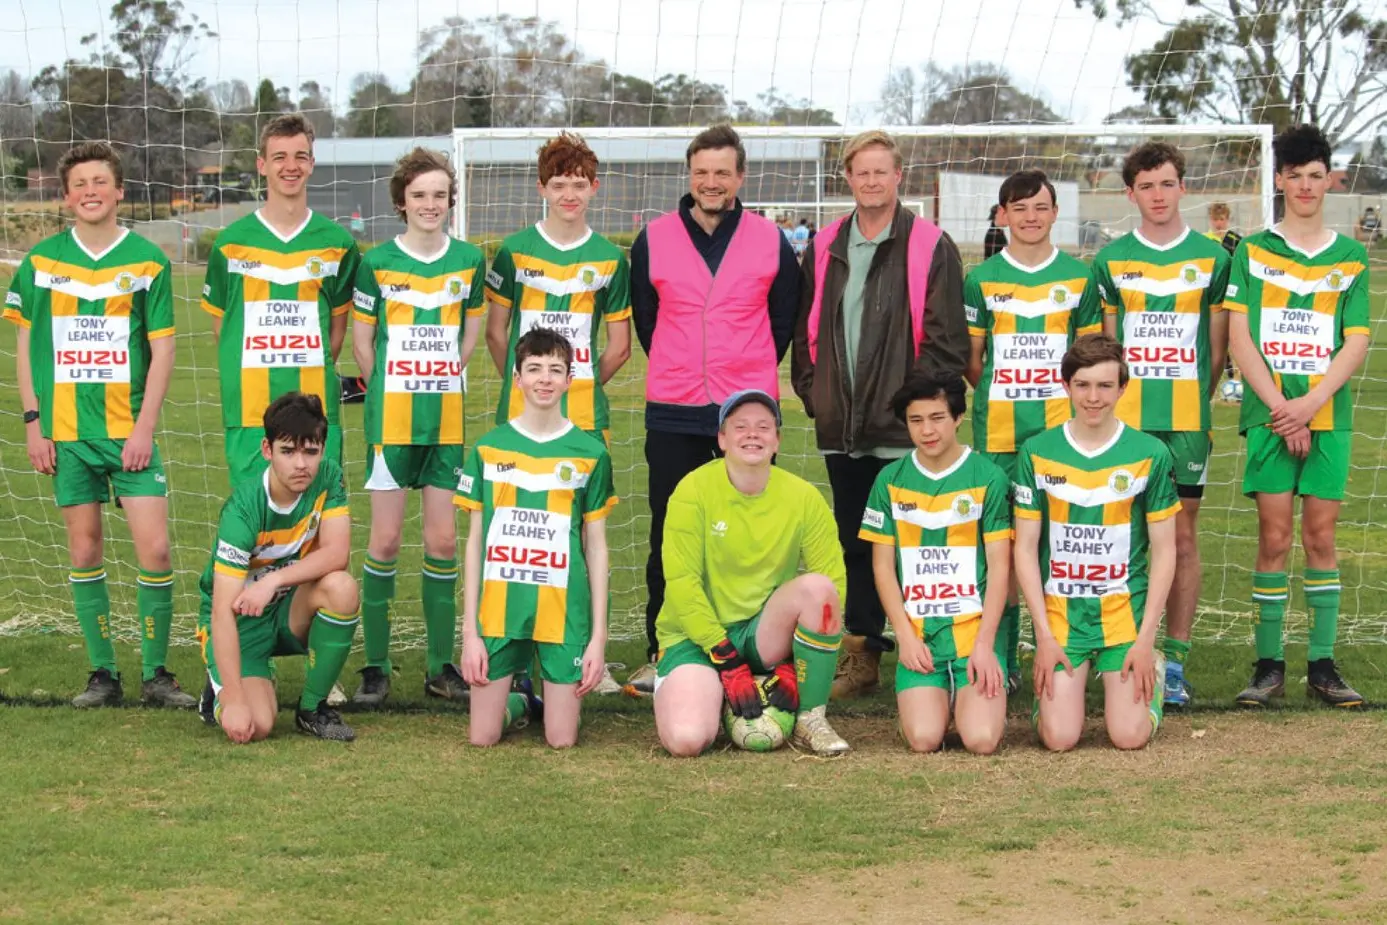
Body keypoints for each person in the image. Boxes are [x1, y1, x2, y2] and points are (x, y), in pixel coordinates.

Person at [5, 141, 194, 709]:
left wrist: (144, 428)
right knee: (84, 551)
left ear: (119, 192)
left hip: (128, 435)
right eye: (79, 183)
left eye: (100, 182)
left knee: (155, 550)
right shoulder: (40, 263)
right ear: (66, 197)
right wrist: (34, 424)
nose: (90, 191)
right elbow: (23, 349)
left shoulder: (146, 260)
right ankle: (102, 675)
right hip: (66, 435)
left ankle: (157, 674)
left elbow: (163, 351)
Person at [791, 129, 968, 700]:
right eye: (860, 173)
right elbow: (805, 331)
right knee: (855, 542)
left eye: (880, 172)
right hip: (842, 427)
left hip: (905, 432)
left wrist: (917, 414)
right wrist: (816, 394)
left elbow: (946, 344)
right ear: (848, 179)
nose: (871, 181)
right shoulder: (824, 244)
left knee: (924, 543)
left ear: (899, 177)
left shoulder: (930, 245)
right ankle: (862, 652)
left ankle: (935, 651)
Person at [626, 123, 800, 694]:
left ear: (740, 177)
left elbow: (783, 320)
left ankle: (755, 645)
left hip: (745, 410)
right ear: (689, 176)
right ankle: (665, 647)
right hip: (674, 408)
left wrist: (740, 367)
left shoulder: (769, 238)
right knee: (670, 532)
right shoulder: (654, 238)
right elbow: (648, 320)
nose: (711, 182)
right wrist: (683, 364)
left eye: (722, 172)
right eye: (701, 172)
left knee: (755, 535)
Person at [1226, 124, 1372, 708]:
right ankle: (1267, 668)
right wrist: (1284, 410)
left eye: (1317, 176)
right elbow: (1241, 338)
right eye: (1296, 176)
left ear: (1328, 179)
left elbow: (1355, 340)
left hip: (1326, 418)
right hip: (1269, 416)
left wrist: (1310, 406)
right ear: (1280, 179)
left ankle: (1322, 666)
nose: (1307, 186)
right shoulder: (1255, 251)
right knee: (1274, 537)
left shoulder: (1350, 257)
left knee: (1319, 537)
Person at [1089, 142, 1230, 710]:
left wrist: (1195, 399)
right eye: (1146, 186)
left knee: (1183, 536)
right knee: (1124, 536)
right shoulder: (1112, 261)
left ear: (1183, 187)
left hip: (1187, 421)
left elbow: (1217, 351)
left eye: (1167, 184)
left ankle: (1174, 659)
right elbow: (1106, 348)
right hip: (1127, 423)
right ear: (1131, 194)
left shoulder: (1214, 259)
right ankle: (1120, 651)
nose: (1158, 195)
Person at [349, 147, 486, 707]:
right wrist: (385, 387)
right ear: (401, 203)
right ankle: (375, 668)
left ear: (450, 201)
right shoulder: (376, 262)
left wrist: (449, 372)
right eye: (419, 195)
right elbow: (363, 342)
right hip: (391, 424)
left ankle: (438, 665)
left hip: (445, 426)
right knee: (383, 540)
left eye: (439, 195)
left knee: (443, 540)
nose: (430, 204)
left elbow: (470, 334)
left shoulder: (469, 261)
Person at [653, 389, 850, 757]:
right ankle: (707, 689)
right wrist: (726, 658)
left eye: (763, 426)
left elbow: (834, 582)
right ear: (722, 439)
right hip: (696, 637)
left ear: (776, 440)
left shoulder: (804, 497)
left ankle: (811, 715)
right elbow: (681, 584)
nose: (752, 434)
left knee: (820, 589)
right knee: (687, 740)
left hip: (763, 633)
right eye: (740, 426)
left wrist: (796, 667)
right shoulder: (691, 491)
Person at [964, 168, 1101, 693]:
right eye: (1018, 209)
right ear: (1003, 216)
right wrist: (1008, 392)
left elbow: (1087, 362)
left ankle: (1064, 652)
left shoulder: (1079, 278)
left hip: (1059, 443)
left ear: (1055, 213)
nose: (1029, 217)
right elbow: (975, 363)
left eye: (1040, 207)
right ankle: (1002, 661)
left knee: (1055, 550)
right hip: (998, 439)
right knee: (998, 548)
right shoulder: (980, 279)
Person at [1015, 334, 1179, 751]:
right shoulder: (1036, 451)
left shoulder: (1151, 453)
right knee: (1059, 738)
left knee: (1128, 736)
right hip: (1061, 616)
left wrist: (1145, 640)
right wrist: (1043, 636)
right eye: (1083, 385)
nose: (1093, 397)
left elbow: (1165, 551)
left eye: (1105, 386)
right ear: (1066, 385)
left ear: (1123, 388)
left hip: (1124, 616)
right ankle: (1055, 697)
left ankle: (1152, 674)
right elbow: (1025, 548)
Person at [457, 327, 616, 747]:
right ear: (517, 377)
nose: (544, 378)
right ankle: (522, 702)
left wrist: (598, 639)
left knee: (562, 740)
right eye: (534, 369)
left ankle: (547, 701)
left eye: (555, 369)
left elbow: (596, 547)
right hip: (499, 611)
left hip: (563, 612)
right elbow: (475, 544)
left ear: (569, 379)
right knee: (482, 738)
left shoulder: (591, 453)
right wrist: (470, 633)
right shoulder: (489, 449)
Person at [201, 113, 362, 486]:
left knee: (315, 525)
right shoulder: (230, 244)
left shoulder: (337, 244)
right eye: (280, 157)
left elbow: (336, 331)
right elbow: (222, 328)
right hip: (249, 412)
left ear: (312, 163)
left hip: (315, 410)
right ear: (261, 165)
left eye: (300, 156)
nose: (291, 166)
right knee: (256, 529)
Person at [196, 392, 361, 742]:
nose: (301, 464)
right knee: (254, 727)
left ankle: (312, 708)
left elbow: (337, 553)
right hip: (241, 620)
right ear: (268, 450)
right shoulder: (242, 511)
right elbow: (222, 612)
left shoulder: (328, 476)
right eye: (288, 451)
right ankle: (220, 690)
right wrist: (235, 701)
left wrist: (273, 582)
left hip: (287, 605)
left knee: (342, 587)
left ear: (322, 449)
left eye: (310, 452)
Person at [860, 374, 1012, 754]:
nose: (927, 430)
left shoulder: (988, 477)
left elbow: (999, 569)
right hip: (922, 637)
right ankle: (934, 703)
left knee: (981, 740)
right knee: (925, 739)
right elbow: (882, 568)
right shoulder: (889, 480)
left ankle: (971, 699)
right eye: (916, 420)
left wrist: (985, 643)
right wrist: (905, 637)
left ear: (958, 417)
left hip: (973, 634)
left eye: (937, 417)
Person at [485, 132, 632, 445]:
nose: (569, 194)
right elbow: (495, 333)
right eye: (558, 185)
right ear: (542, 188)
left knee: (584, 494)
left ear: (594, 187)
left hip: (585, 413)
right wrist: (527, 381)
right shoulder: (514, 251)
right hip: (518, 408)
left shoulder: (611, 258)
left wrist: (575, 383)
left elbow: (620, 347)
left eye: (579, 185)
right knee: (515, 494)